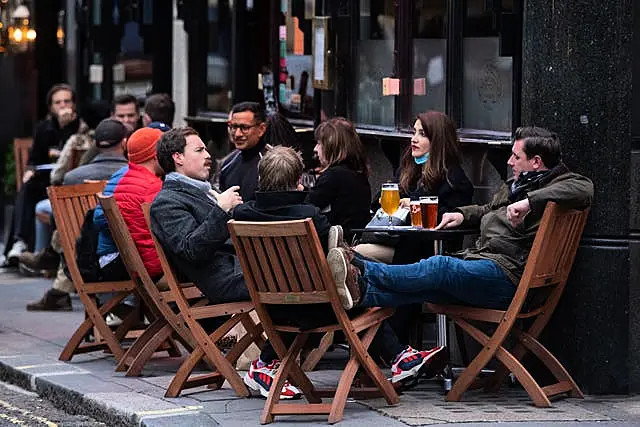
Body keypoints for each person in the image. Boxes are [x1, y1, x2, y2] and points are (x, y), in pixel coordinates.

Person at [233, 146, 445, 389]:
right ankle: (401, 354)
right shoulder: (309, 216)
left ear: (262, 179)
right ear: (297, 181)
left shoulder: (242, 215)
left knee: (355, 290)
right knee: (363, 296)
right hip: (317, 308)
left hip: (272, 307)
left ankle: (401, 357)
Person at [327, 127, 594, 317]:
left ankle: (361, 268)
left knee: (439, 267)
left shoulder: (559, 185)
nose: (510, 161)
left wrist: (529, 201)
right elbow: (490, 208)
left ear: (536, 162)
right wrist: (463, 214)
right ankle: (361, 289)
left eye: (516, 157)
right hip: (482, 263)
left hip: (508, 278)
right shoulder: (516, 184)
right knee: (425, 286)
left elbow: (585, 187)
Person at [151, 128, 313, 400]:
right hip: (226, 280)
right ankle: (266, 366)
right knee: (311, 284)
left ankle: (267, 366)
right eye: (199, 150)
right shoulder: (167, 202)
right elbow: (192, 250)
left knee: (318, 281)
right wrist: (221, 210)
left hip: (245, 268)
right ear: (177, 157)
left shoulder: (200, 191)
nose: (208, 156)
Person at [25, 119, 130, 312]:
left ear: (96, 145)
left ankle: (51, 255)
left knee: (69, 231)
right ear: (124, 143)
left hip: (83, 260)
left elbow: (59, 221)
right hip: (127, 259)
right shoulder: (132, 176)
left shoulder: (74, 178)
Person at [5, 83, 89, 264]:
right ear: (51, 107)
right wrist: (30, 171)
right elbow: (34, 159)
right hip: (45, 180)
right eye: (58, 102)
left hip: (69, 181)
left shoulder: (81, 127)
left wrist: (67, 127)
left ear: (74, 104)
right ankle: (19, 242)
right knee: (28, 188)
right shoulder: (44, 128)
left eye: (67, 101)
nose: (63, 106)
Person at [306, 117, 372, 243]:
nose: (315, 149)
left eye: (319, 143)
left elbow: (307, 208)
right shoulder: (358, 173)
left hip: (334, 245)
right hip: (353, 241)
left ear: (332, 146)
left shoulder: (333, 176)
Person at [219, 102, 268, 201]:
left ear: (261, 129)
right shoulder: (227, 164)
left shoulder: (274, 163)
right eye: (233, 127)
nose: (237, 134)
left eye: (244, 128)